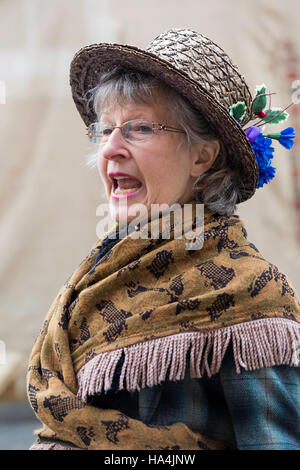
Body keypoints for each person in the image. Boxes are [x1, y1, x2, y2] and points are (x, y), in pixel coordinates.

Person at [27, 28, 300, 450]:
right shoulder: (102, 275)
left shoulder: (251, 291)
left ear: (202, 155)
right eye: (105, 130)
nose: (110, 149)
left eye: (138, 128)